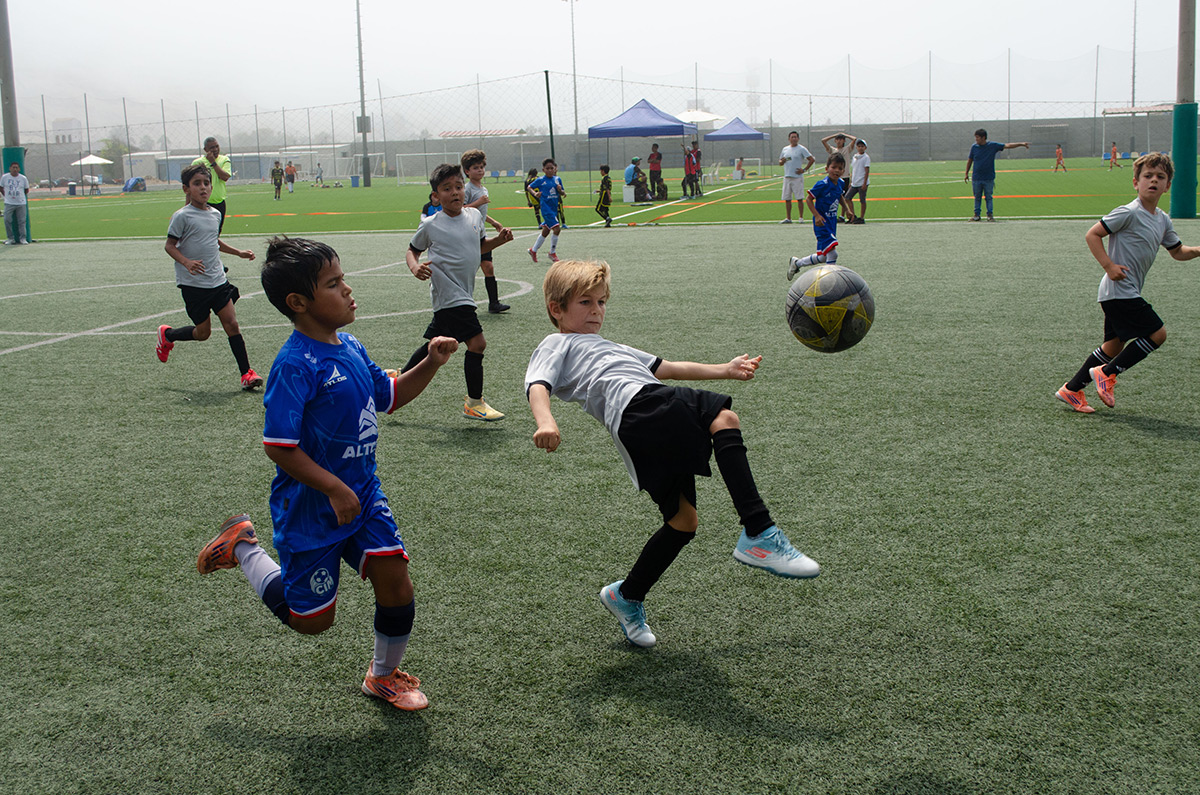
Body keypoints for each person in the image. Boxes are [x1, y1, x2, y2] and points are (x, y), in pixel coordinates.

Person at [198, 236, 461, 711]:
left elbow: (390, 397)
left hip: (363, 495)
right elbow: (279, 446)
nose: (348, 289)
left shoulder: (351, 345)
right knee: (312, 622)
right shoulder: (294, 365)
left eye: (343, 279)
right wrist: (334, 488)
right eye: (334, 283)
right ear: (299, 302)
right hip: (311, 509)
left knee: (396, 580)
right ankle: (242, 546)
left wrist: (431, 362)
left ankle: (383, 677)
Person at [525, 259, 820, 647]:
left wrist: (725, 369)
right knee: (723, 417)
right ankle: (759, 530)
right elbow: (538, 384)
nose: (596, 310)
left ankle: (626, 595)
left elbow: (667, 367)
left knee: (683, 522)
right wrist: (546, 421)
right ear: (556, 309)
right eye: (585, 302)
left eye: (601, 302)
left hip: (643, 425)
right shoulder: (557, 343)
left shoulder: (610, 346)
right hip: (639, 407)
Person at [1055, 153, 1199, 413]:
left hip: (1117, 292)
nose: (1153, 181)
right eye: (1147, 176)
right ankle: (1107, 373)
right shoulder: (1129, 212)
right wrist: (1109, 266)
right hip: (1119, 290)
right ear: (1136, 182)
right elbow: (1093, 234)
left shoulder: (1163, 219)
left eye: (1160, 177)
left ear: (1167, 186)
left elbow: (1178, 252)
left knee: (1113, 345)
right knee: (1158, 334)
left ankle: (1072, 390)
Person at [403, 163, 514, 421]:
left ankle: (399, 380)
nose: (454, 192)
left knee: (438, 343)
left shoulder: (474, 216)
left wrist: (500, 240)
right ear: (435, 196)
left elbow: (480, 245)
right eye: (446, 189)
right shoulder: (430, 224)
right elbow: (412, 250)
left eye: (458, 186)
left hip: (464, 291)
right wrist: (415, 267)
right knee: (477, 343)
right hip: (449, 293)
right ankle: (474, 403)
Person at [156, 163, 263, 390]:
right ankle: (168, 335)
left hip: (218, 281)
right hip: (194, 285)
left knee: (232, 324)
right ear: (186, 189)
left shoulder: (215, 214)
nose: (203, 188)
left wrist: (238, 252)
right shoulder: (182, 216)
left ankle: (247, 374)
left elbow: (213, 241)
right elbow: (169, 246)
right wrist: (186, 262)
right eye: (197, 184)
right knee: (203, 333)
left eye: (206, 183)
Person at [786, 152, 853, 280]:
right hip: (821, 224)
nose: (836, 170)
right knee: (833, 254)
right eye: (834, 167)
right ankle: (830, 280)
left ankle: (797, 263)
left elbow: (840, 196)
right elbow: (808, 199)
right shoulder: (822, 184)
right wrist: (816, 216)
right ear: (827, 168)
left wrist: (847, 210)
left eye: (840, 168)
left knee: (823, 257)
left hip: (831, 223)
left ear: (843, 171)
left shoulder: (840, 183)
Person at [461, 150, 511, 314]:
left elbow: (481, 212)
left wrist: (493, 222)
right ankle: (462, 303)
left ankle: (494, 303)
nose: (480, 170)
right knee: (468, 270)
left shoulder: (483, 189)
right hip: (468, 234)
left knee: (488, 267)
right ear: (467, 171)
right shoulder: (467, 189)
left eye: (481, 167)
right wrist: (478, 202)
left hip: (480, 234)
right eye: (475, 168)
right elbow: (461, 209)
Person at [964, 128, 1029, 221]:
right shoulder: (974, 147)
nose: (976, 139)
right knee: (977, 197)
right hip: (976, 177)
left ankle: (990, 215)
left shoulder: (992, 146)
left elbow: (1007, 145)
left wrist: (1021, 144)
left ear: (983, 138)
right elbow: (970, 160)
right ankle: (976, 215)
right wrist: (966, 173)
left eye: (977, 137)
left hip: (988, 178)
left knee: (988, 197)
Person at [527, 158, 565, 263]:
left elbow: (562, 193)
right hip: (546, 208)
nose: (550, 170)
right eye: (547, 168)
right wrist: (535, 194)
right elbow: (529, 187)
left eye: (551, 168)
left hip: (554, 208)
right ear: (543, 169)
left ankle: (533, 250)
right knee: (557, 229)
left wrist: (560, 191)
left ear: (555, 169)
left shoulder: (557, 179)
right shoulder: (540, 180)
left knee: (546, 230)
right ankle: (552, 252)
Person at [192, 137, 232, 233]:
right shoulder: (197, 163)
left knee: (216, 232)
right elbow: (191, 183)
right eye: (211, 148)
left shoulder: (224, 160)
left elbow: (225, 177)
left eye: (216, 146)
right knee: (202, 231)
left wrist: (213, 163)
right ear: (205, 150)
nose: (215, 149)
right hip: (202, 202)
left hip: (219, 202)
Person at [778, 130, 815, 224]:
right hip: (787, 177)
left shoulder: (801, 149)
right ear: (789, 139)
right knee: (787, 198)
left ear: (798, 138)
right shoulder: (785, 149)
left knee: (799, 198)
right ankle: (788, 218)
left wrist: (804, 169)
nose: (794, 139)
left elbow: (811, 159)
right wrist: (782, 162)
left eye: (795, 137)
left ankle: (801, 218)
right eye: (792, 137)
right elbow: (780, 162)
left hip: (797, 177)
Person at [2, 161, 29, 245]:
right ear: (10, 168)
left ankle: (23, 238)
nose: (15, 169)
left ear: (19, 169)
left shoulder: (23, 178)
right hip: (9, 203)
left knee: (22, 221)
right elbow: (1, 187)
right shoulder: (5, 177)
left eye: (16, 167)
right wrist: (6, 196)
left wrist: (20, 196)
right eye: (13, 167)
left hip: (21, 203)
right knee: (7, 220)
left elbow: (26, 189)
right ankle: (10, 238)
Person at [845, 139, 871, 224]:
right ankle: (853, 216)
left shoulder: (866, 157)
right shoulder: (855, 157)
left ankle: (861, 218)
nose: (860, 148)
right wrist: (851, 181)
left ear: (865, 147)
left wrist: (864, 183)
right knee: (847, 198)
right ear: (856, 147)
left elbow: (867, 171)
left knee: (862, 200)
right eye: (859, 146)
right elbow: (854, 170)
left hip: (862, 182)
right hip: (854, 183)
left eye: (862, 146)